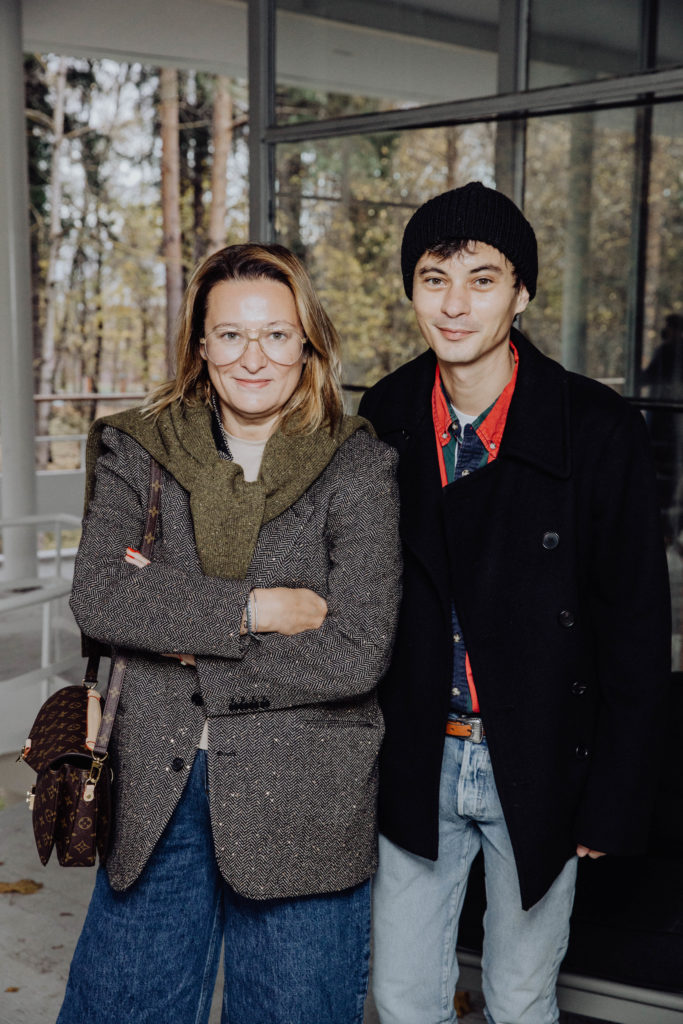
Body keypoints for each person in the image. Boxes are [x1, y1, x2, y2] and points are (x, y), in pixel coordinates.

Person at [58, 243, 401, 1024]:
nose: (254, 358)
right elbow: (101, 597)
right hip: (155, 785)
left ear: (307, 344)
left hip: (306, 797)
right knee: (120, 1008)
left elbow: (356, 649)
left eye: (276, 335)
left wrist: (180, 633)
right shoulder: (138, 449)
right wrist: (258, 610)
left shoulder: (357, 466)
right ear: (200, 344)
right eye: (232, 335)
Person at [359, 182, 671, 1024]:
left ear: (521, 292)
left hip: (538, 756)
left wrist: (613, 794)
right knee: (400, 995)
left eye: (482, 279)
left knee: (521, 996)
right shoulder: (384, 413)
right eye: (433, 279)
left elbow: (635, 628)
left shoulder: (594, 425)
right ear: (411, 290)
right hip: (418, 751)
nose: (454, 305)